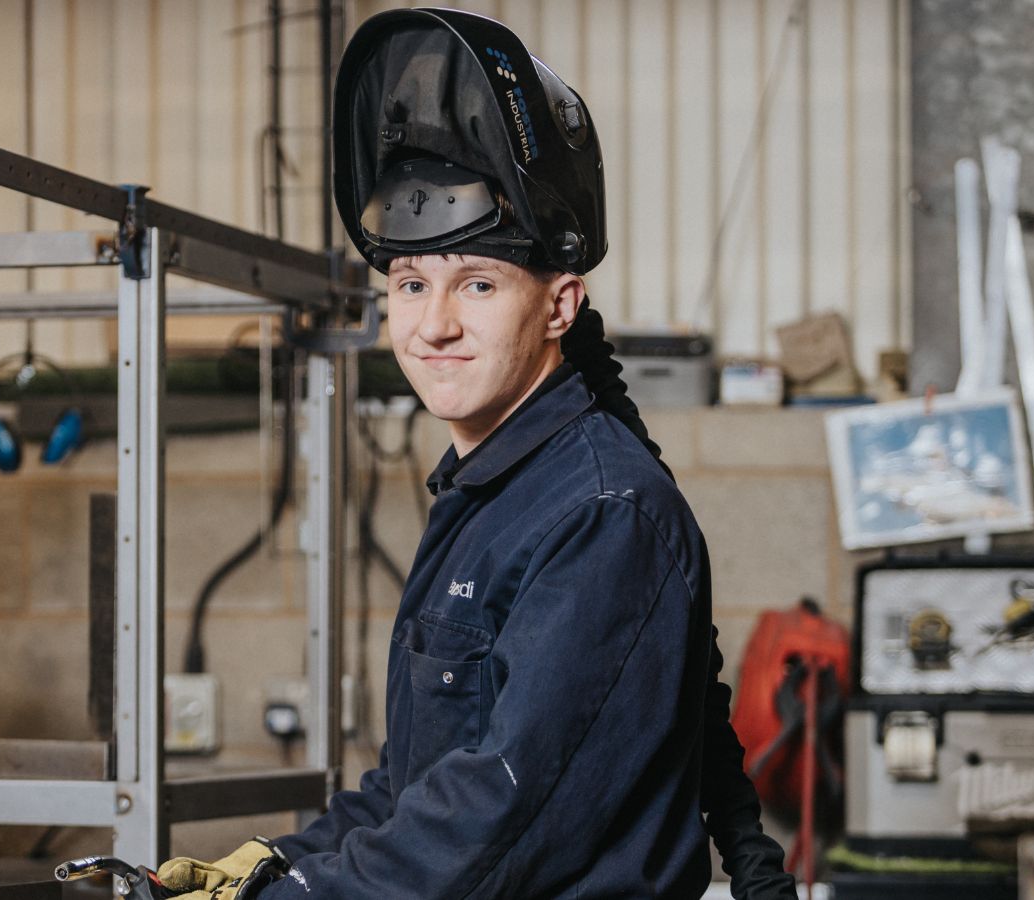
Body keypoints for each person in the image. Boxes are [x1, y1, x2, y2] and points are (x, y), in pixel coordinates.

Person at [156, 9, 797, 899]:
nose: (435, 324)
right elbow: (409, 792)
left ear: (560, 306)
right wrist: (272, 863)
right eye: (411, 285)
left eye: (479, 284)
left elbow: (497, 811)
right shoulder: (487, 495)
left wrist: (291, 898)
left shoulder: (600, 515)